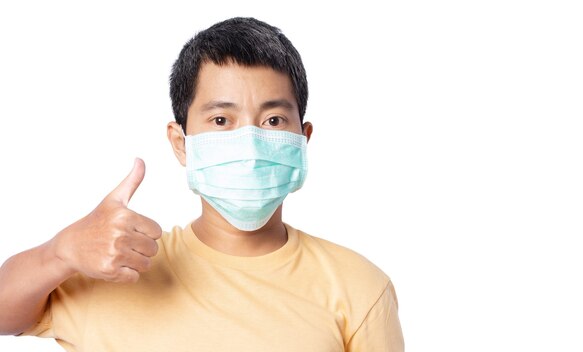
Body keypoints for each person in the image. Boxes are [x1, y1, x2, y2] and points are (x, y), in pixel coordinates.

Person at [0, 17, 404, 351]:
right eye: (221, 120)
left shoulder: (359, 288)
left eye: (273, 120)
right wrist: (62, 252)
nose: (249, 143)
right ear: (181, 143)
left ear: (303, 139)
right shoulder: (113, 267)